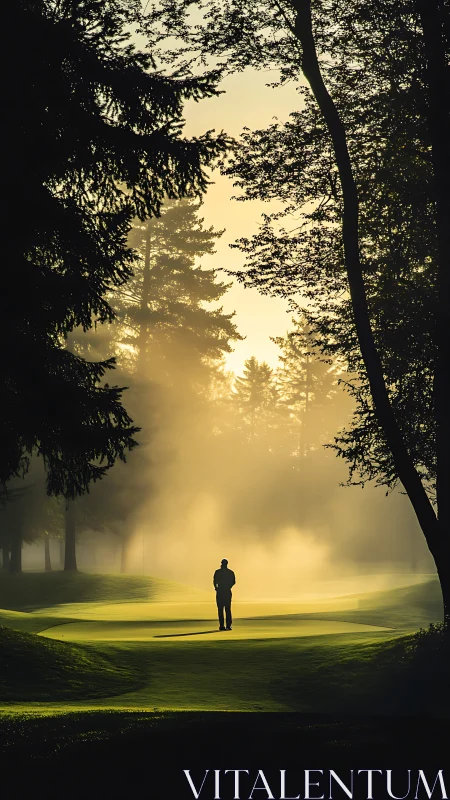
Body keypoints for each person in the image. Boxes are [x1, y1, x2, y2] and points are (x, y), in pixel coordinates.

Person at [213, 558, 236, 631]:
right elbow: (233, 582)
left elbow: (214, 581)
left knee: (220, 609)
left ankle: (222, 625)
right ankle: (228, 625)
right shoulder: (230, 572)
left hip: (220, 592)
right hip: (227, 591)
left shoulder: (218, 572)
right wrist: (228, 586)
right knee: (227, 609)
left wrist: (216, 588)